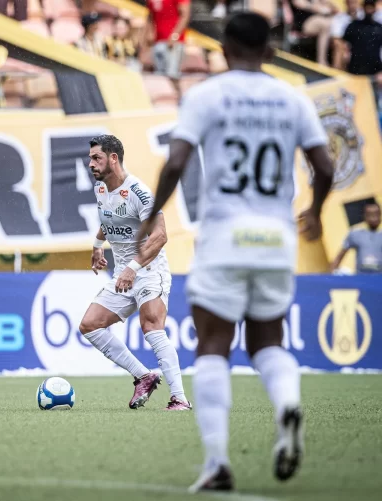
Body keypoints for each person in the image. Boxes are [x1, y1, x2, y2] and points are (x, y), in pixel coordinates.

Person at [135, 12, 334, 492]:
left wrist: (151, 215)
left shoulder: (206, 95)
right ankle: (286, 403)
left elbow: (177, 161)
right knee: (268, 341)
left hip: (224, 236)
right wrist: (317, 211)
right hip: (275, 236)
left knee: (213, 348)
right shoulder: (292, 97)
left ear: (224, 49)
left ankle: (218, 462)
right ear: (270, 50)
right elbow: (324, 166)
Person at [80, 135, 191, 412]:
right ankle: (144, 376)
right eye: (91, 158)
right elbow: (109, 219)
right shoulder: (101, 188)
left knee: (151, 327)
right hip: (122, 274)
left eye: (97, 158)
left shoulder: (140, 193)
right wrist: (96, 246)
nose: (90, 163)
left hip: (149, 270)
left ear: (113, 158)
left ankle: (179, 399)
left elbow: (160, 236)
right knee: (90, 325)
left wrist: (132, 268)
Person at [145, 0, 191, 96]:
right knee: (159, 77)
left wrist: (175, 36)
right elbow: (150, 15)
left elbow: (185, 15)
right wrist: (149, 32)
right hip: (158, 41)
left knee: (172, 75)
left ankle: (178, 101)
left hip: (174, 43)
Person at [331, 201, 382, 274]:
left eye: (376, 214)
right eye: (370, 215)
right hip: (361, 278)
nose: (373, 218)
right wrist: (330, 277)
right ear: (365, 216)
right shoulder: (355, 234)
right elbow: (339, 256)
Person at [287, 0, 337, 66]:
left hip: (316, 18)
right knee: (326, 25)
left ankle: (335, 64)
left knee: (333, 23)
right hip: (302, 21)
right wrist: (315, 7)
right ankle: (322, 61)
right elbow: (297, 3)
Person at [341, 0, 382, 76]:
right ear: (363, 8)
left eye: (371, 7)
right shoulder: (354, 26)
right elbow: (344, 45)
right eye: (367, 7)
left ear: (375, 9)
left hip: (375, 71)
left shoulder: (379, 28)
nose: (369, 10)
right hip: (355, 69)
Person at [330, 0, 363, 69]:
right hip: (347, 48)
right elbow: (336, 39)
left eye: (354, 2)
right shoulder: (339, 18)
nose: (352, 5)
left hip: (363, 46)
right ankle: (337, 75)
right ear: (346, 3)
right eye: (350, 2)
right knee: (340, 51)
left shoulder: (365, 16)